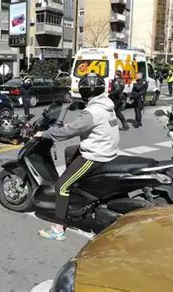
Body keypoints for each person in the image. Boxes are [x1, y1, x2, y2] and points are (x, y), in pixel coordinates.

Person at [37, 73, 120, 240]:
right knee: (69, 151)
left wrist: (45, 133)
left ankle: (58, 229)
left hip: (95, 155)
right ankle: (76, 189)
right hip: (108, 149)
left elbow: (70, 130)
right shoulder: (106, 105)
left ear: (83, 91)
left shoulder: (92, 112)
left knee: (61, 185)